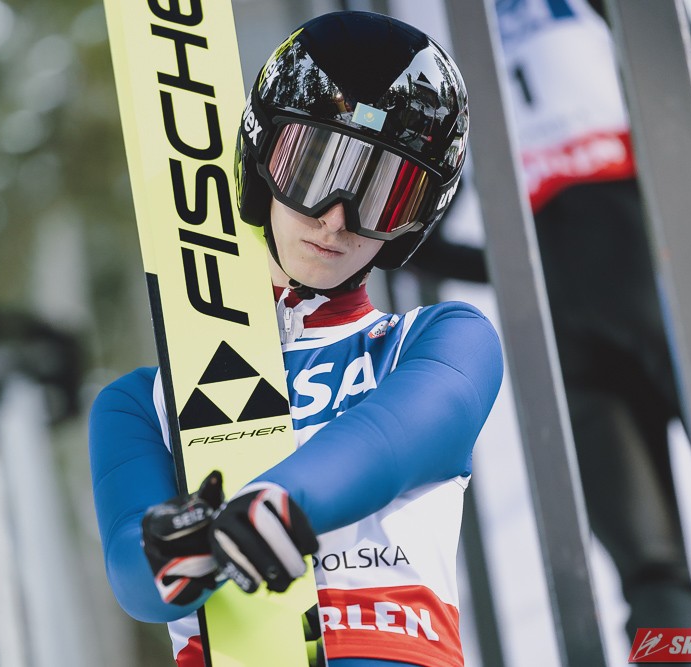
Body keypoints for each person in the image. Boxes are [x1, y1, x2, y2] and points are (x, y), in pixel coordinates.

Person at [89, 11, 502, 667]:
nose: (337, 218)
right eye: (314, 168)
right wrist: (174, 550)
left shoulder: (440, 341)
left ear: (415, 221)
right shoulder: (142, 402)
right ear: (263, 163)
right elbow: (135, 577)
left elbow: (387, 443)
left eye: (382, 192)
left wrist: (276, 504)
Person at [409, 0, 691, 647]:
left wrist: (524, 266)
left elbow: (420, 239)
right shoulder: (583, 17)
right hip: (658, 277)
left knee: (653, 575)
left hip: (569, 321)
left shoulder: (454, 42)